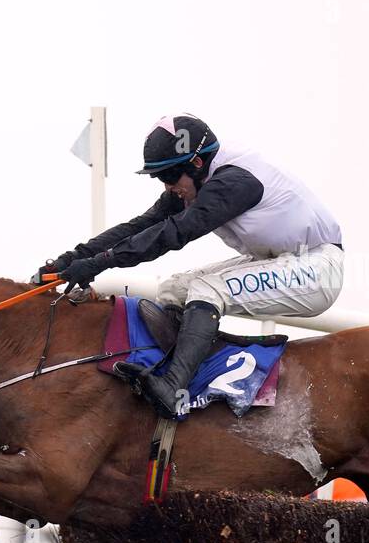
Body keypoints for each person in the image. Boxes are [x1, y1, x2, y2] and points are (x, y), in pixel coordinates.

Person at [35, 113, 344, 418]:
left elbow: (174, 234)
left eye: (169, 176)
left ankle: (174, 389)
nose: (167, 186)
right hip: (279, 260)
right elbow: (139, 227)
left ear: (197, 165)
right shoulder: (195, 180)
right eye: (160, 178)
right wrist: (73, 259)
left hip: (316, 269)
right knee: (173, 289)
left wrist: (99, 264)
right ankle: (168, 373)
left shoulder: (233, 182)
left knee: (207, 289)